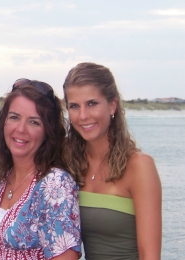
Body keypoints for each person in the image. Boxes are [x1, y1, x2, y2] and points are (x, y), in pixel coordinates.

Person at [62, 62, 162, 259]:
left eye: (92, 103)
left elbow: (150, 256)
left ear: (112, 105)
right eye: (74, 106)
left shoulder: (139, 166)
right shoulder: (68, 162)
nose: (83, 116)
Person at [0, 79, 82, 259]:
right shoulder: (6, 177)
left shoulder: (55, 184)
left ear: (48, 131)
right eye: (14, 117)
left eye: (34, 122)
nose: (21, 129)